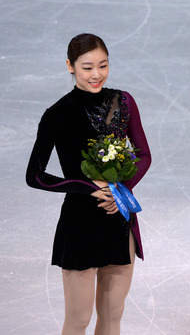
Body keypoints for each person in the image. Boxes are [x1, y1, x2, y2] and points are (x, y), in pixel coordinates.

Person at [26, 33, 151, 335]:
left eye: (103, 65)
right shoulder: (57, 115)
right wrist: (87, 187)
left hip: (118, 218)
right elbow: (35, 174)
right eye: (87, 67)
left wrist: (120, 190)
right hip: (80, 224)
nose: (96, 74)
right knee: (78, 320)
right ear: (70, 66)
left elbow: (144, 154)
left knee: (112, 316)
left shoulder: (123, 102)